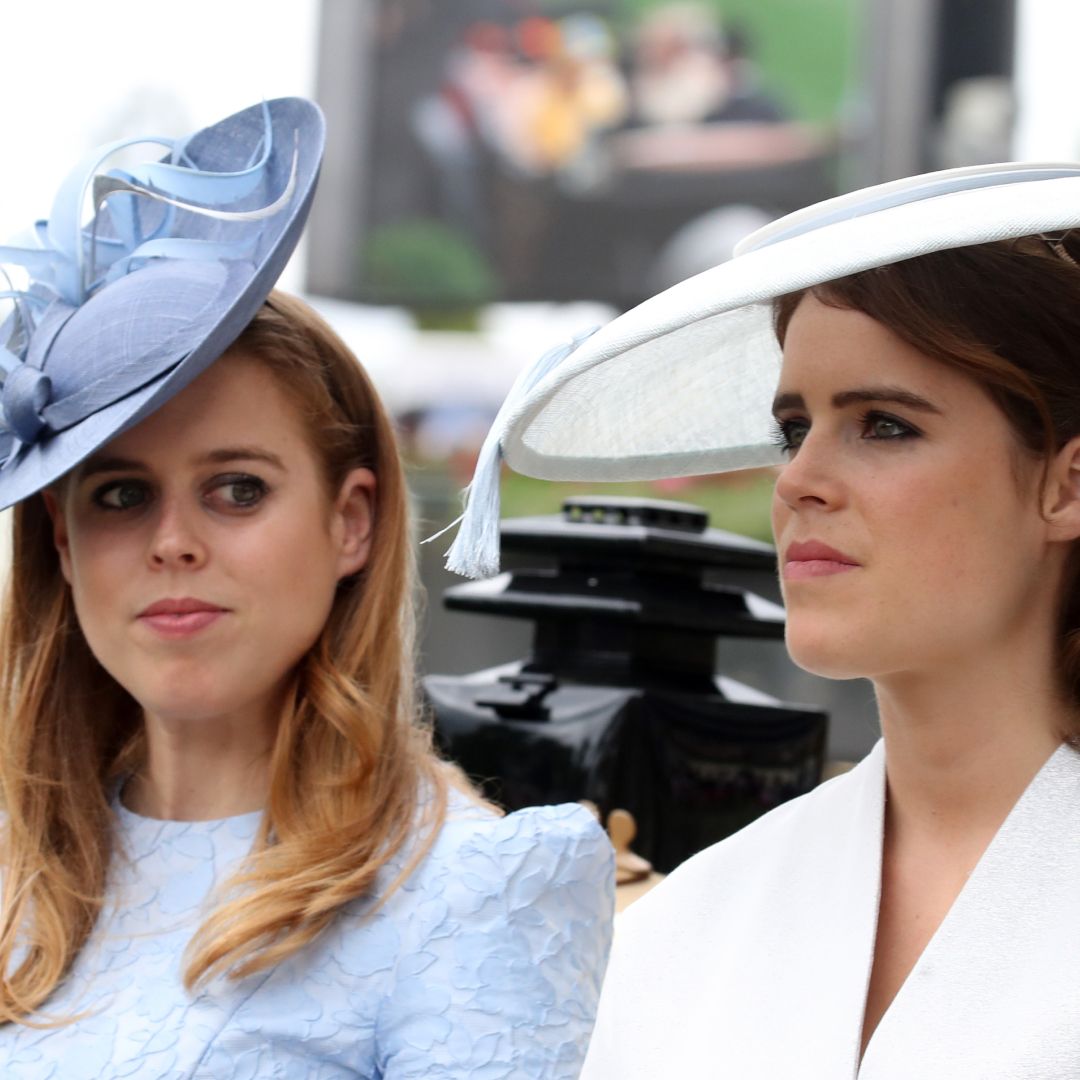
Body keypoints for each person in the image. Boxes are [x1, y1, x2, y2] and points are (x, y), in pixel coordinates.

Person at [0, 99, 613, 1077]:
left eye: (236, 489)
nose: (173, 542)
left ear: (351, 521)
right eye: (119, 495)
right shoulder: (13, 876)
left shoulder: (471, 891)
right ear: (62, 544)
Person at [445, 163, 1080, 1076]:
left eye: (884, 425)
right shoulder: (692, 922)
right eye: (795, 428)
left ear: (1068, 485)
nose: (797, 480)